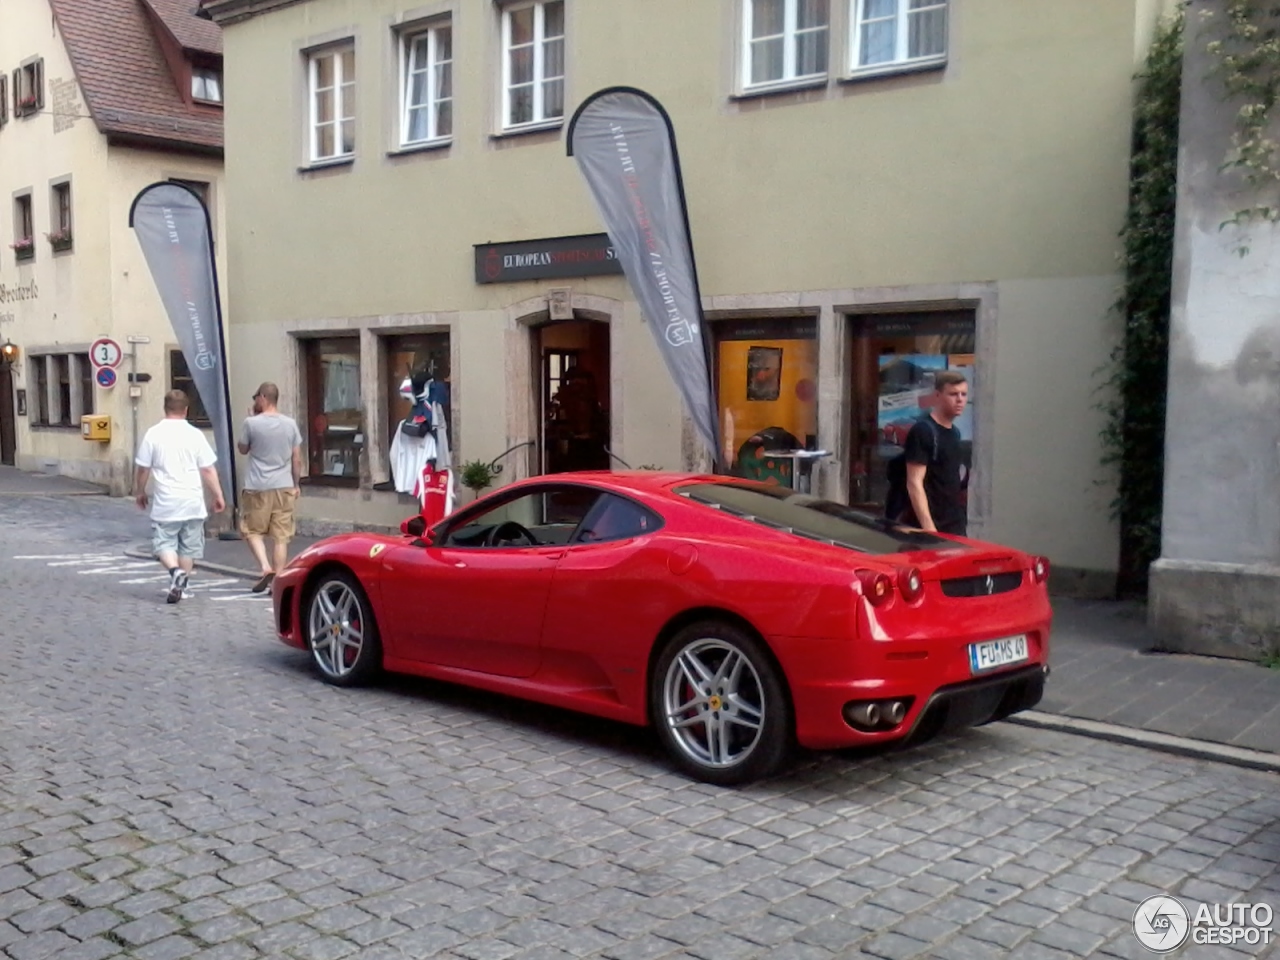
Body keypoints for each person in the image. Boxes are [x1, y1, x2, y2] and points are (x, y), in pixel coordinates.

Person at [134, 390, 226, 604]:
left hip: (167, 501)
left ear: (165, 408)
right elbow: (208, 470)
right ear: (186, 410)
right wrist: (218, 495)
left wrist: (140, 491)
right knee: (188, 546)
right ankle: (183, 587)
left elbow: (143, 468)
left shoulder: (153, 434)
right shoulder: (195, 434)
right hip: (192, 501)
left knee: (163, 543)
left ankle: (175, 572)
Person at [237, 381, 303, 592]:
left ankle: (266, 568)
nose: (255, 400)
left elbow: (243, 449)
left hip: (257, 486)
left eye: (256, 396)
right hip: (284, 486)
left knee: (251, 530)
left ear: (263, 398)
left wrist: (251, 419)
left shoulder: (251, 423)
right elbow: (296, 458)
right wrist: (296, 484)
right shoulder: (290, 424)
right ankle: (278, 581)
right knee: (281, 537)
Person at [903, 370, 969, 536]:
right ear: (938, 396)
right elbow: (914, 483)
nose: (960, 399)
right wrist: (929, 529)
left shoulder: (954, 432)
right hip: (933, 527)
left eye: (964, 394)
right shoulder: (923, 431)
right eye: (953, 394)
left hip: (955, 525)